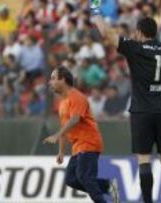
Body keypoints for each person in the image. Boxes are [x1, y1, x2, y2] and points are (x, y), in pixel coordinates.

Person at [90, 0, 161, 202]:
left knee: (143, 159)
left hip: (141, 111)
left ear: (139, 32)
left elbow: (107, 34)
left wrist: (95, 11)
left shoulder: (134, 48)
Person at [43, 67, 119, 203]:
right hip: (78, 146)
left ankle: (106, 191)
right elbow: (65, 128)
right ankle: (107, 186)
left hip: (89, 141)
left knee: (85, 177)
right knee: (71, 179)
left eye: (53, 78)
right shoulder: (62, 104)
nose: (50, 82)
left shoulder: (76, 97)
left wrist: (56, 135)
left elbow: (75, 119)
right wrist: (61, 151)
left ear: (63, 80)